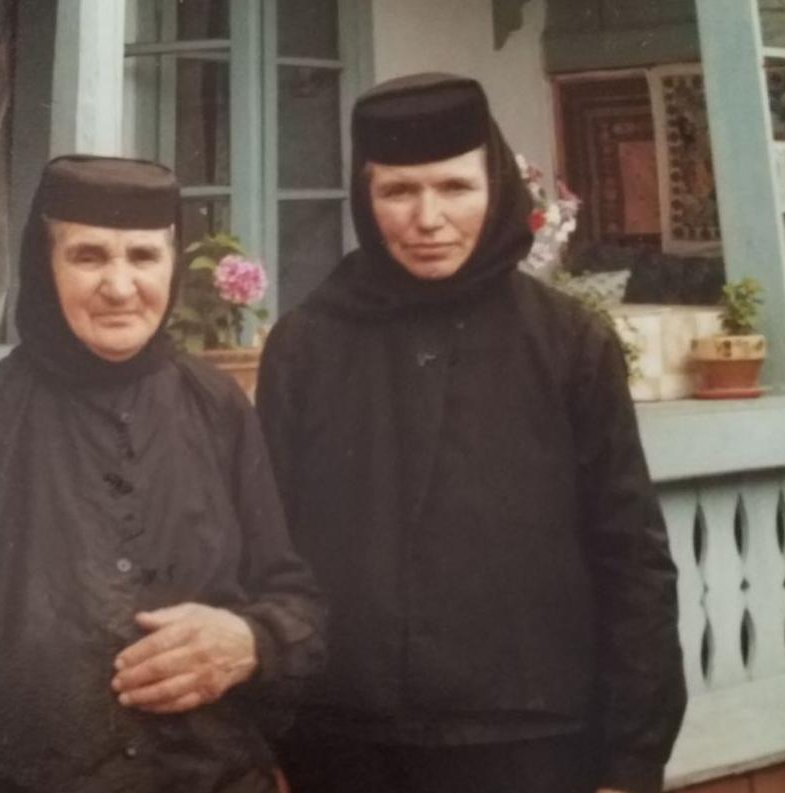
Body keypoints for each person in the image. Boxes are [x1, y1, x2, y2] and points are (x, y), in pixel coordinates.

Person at [257, 73, 686, 793]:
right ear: (365, 197)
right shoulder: (307, 345)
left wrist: (632, 760)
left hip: (532, 741)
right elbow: (266, 547)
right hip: (341, 741)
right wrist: (264, 734)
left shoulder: (568, 343)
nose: (428, 218)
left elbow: (631, 556)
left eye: (455, 187)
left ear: (496, 188)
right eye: (399, 190)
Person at [0, 155, 326, 793]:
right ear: (45, 265)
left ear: (172, 264)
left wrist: (250, 639)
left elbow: (293, 599)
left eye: (144, 256)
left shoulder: (218, 408)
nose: (120, 287)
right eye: (89, 256)